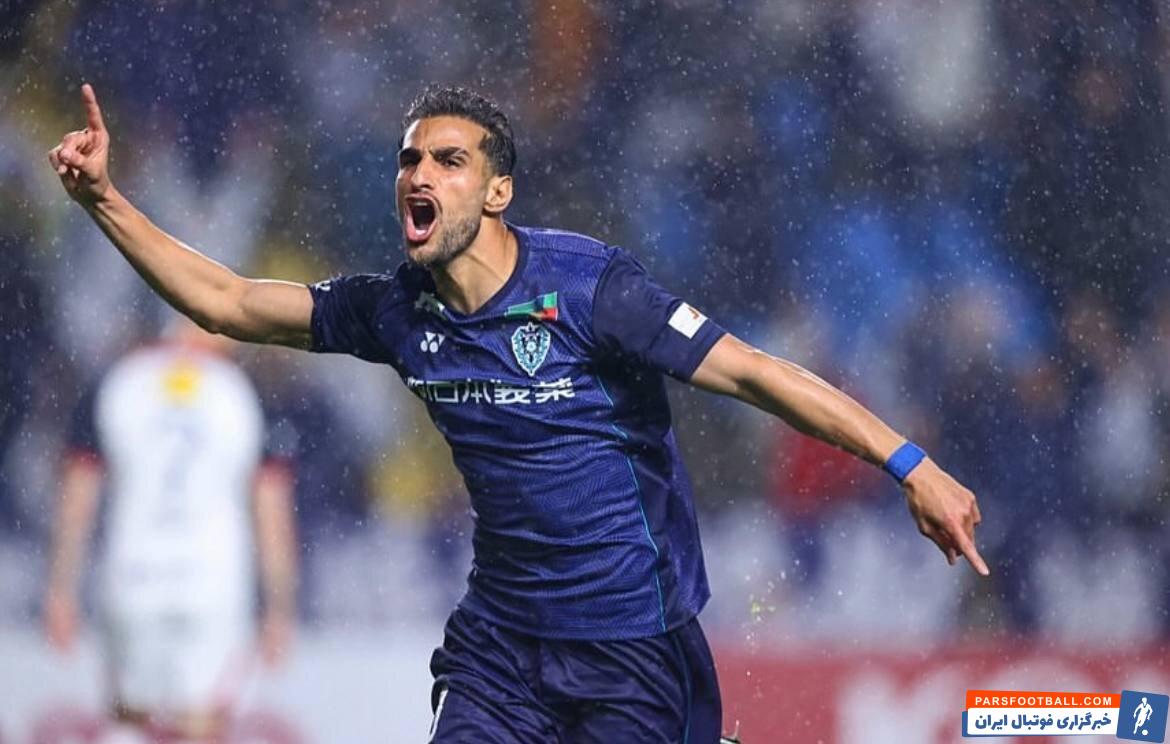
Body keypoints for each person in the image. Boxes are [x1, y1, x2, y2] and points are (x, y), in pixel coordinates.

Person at [48, 82, 987, 743]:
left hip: (634, 648)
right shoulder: (396, 312)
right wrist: (103, 201)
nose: (418, 173)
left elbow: (757, 375)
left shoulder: (590, 289)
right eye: (410, 159)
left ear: (498, 191)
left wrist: (911, 464)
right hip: (501, 648)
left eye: (448, 160)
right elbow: (226, 301)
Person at [43, 318, 298, 743]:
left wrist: (60, 590)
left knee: (129, 722)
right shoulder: (242, 391)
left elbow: (77, 498)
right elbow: (272, 513)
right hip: (213, 587)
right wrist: (280, 608)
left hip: (133, 577)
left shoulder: (120, 383)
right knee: (200, 727)